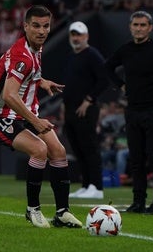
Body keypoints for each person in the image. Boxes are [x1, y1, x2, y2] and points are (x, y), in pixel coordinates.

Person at [0, 5, 82, 228]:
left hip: (23, 114)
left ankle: (62, 212)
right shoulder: (23, 56)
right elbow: (9, 95)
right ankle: (32, 210)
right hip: (1, 117)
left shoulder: (35, 48)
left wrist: (43, 82)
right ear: (25, 26)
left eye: (46, 26)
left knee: (58, 151)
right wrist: (36, 121)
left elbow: (29, 76)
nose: (41, 31)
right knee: (39, 149)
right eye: (36, 26)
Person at [105, 11, 153, 215]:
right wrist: (120, 85)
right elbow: (108, 67)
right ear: (130, 27)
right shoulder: (125, 50)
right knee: (136, 160)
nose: (139, 28)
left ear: (150, 27)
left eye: (143, 25)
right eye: (136, 24)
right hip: (132, 111)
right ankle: (138, 202)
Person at [61, 21, 109, 199]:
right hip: (71, 109)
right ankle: (86, 184)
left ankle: (96, 187)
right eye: (73, 35)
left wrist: (89, 100)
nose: (76, 38)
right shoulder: (71, 56)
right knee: (78, 148)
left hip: (86, 109)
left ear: (86, 36)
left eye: (79, 35)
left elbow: (104, 79)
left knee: (89, 147)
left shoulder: (92, 55)